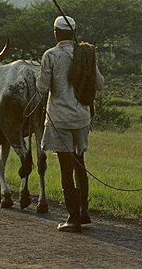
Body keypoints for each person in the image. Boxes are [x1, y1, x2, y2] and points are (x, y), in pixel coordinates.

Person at [37, 15, 104, 232]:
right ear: (74, 32)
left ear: (56, 33)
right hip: (82, 117)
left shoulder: (51, 55)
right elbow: (100, 84)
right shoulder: (86, 54)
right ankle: (84, 213)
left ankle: (72, 217)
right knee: (80, 163)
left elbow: (42, 87)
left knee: (65, 167)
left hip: (59, 119)